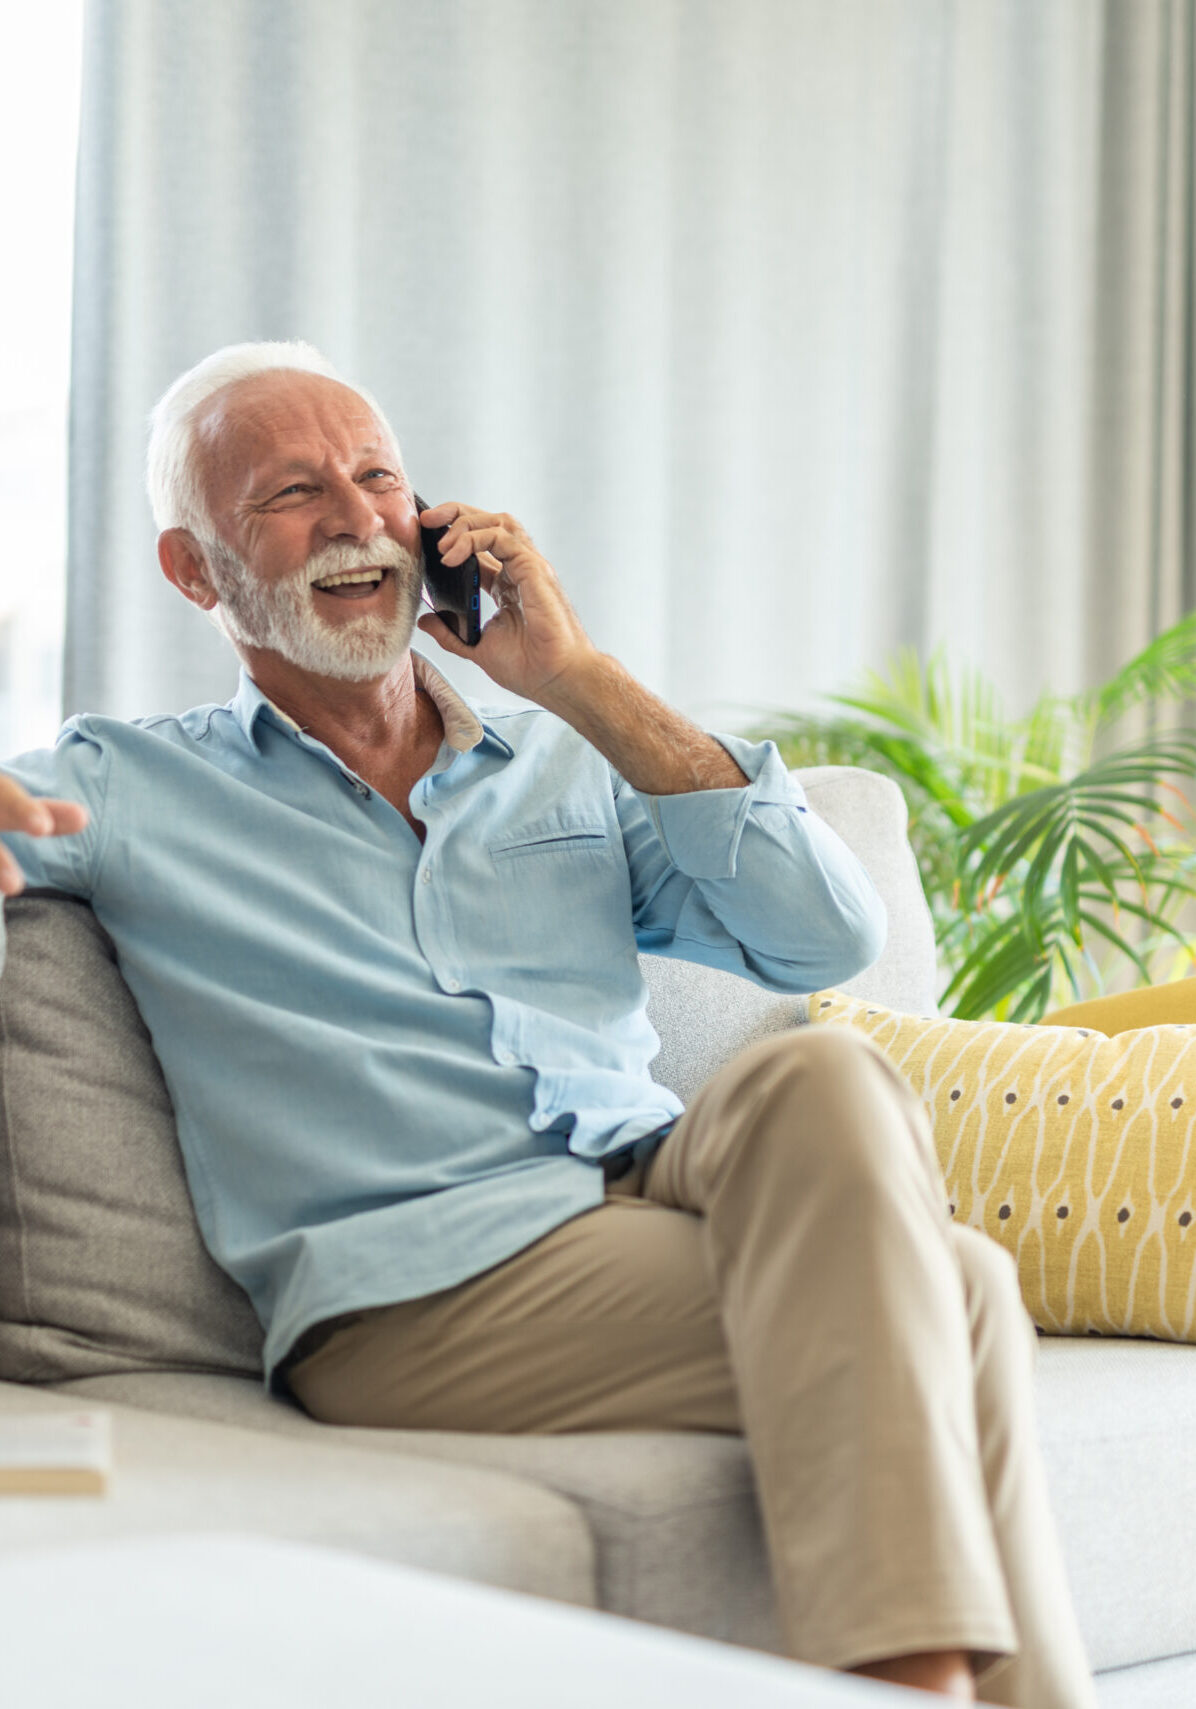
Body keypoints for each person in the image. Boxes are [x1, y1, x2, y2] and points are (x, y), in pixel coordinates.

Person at [0, 343, 1096, 1707]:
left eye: (377, 475)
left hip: (643, 1179)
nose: (354, 517)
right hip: (418, 1285)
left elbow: (830, 936)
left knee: (829, 1066)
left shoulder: (565, 757)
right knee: (966, 1291)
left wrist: (572, 673)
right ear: (192, 568)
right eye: (292, 492)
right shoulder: (132, 782)